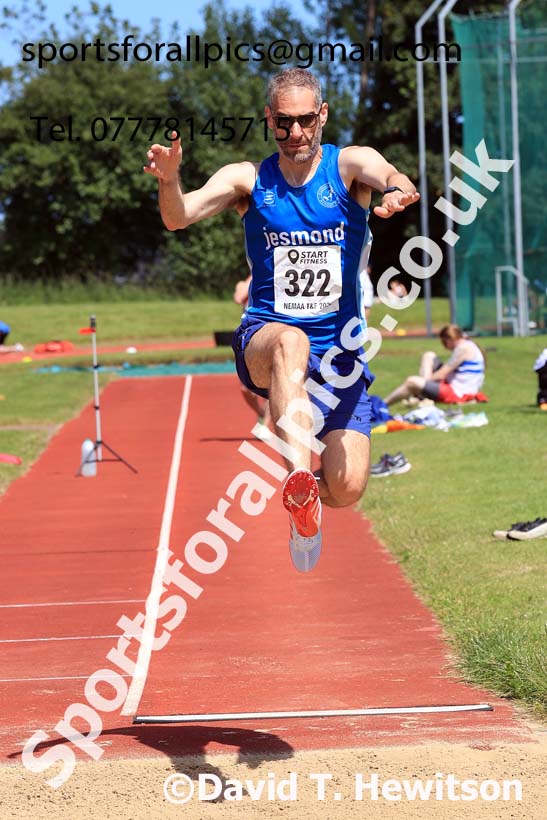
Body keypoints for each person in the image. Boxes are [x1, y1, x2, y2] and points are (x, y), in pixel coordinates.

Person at [144, 67, 419, 571]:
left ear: (323, 116)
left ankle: (307, 500)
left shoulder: (348, 168)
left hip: (340, 358)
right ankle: (297, 477)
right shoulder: (247, 178)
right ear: (269, 119)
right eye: (284, 123)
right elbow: (177, 216)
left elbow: (387, 171)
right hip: (267, 335)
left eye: (306, 121)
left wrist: (397, 190)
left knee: (349, 486)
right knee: (291, 342)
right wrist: (169, 180)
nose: (296, 133)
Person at [383, 324, 486, 407]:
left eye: (444, 342)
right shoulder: (467, 344)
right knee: (429, 356)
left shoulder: (463, 348)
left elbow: (442, 374)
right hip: (456, 385)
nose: (444, 346)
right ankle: (422, 396)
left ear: (449, 339)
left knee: (412, 381)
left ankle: (383, 404)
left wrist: (423, 384)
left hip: (458, 393)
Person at [233, 274, 272, 439]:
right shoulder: (245, 282)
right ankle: (262, 413)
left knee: (273, 385)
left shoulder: (272, 275)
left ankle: (265, 424)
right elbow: (238, 297)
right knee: (245, 388)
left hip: (270, 334)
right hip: (249, 338)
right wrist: (253, 278)